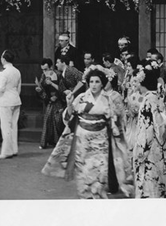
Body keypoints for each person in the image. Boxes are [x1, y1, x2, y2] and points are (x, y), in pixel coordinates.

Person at [41, 68, 134, 199]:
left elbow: (118, 119)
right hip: (82, 141)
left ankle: (97, 197)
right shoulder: (81, 97)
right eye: (91, 82)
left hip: (101, 142)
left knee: (100, 173)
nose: (94, 84)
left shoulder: (108, 99)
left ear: (102, 83)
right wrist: (68, 104)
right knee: (83, 174)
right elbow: (69, 117)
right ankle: (85, 198)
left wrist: (114, 125)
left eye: (97, 81)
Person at [133, 61, 166, 198]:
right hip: (157, 143)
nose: (136, 85)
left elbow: (147, 127)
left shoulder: (148, 100)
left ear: (143, 83)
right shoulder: (156, 97)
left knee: (147, 175)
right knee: (156, 173)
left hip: (148, 144)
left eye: (137, 82)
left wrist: (141, 150)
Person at [0, 50, 22, 160]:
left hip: (5, 101)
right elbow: (19, 88)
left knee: (6, 126)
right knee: (14, 125)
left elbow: (0, 89)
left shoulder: (3, 73)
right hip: (15, 100)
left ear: (3, 59)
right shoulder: (17, 71)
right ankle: (13, 149)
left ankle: (6, 152)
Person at [35, 58, 64, 149]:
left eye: (46, 69)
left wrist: (57, 96)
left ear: (51, 67)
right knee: (48, 119)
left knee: (58, 120)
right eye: (43, 69)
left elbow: (63, 88)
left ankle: (59, 142)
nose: (44, 71)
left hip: (59, 101)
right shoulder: (43, 76)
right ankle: (46, 142)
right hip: (50, 101)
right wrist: (40, 91)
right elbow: (42, 89)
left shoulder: (59, 75)